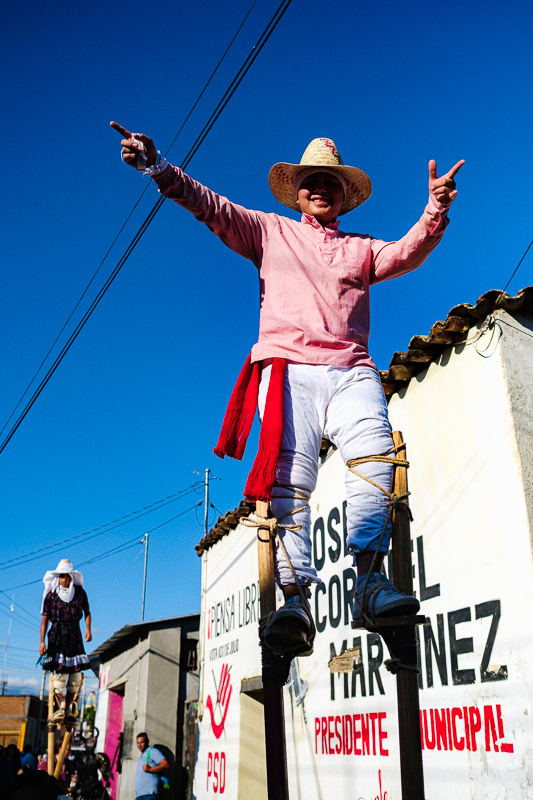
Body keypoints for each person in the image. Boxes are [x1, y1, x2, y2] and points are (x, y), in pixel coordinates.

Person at [111, 122, 463, 649]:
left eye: (331, 181)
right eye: (310, 181)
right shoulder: (268, 231)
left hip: (351, 370)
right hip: (288, 371)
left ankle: (368, 583)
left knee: (375, 458)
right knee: (290, 484)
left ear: (344, 195)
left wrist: (435, 209)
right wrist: (157, 167)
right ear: (296, 192)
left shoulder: (362, 248)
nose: (320, 188)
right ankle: (296, 600)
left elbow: (406, 253)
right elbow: (210, 205)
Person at [39, 559, 92, 724]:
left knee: (75, 677)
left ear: (71, 577)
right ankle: (56, 709)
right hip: (57, 636)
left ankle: (68, 709)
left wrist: (88, 629)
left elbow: (87, 612)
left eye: (66, 576)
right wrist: (42, 642)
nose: (64, 579)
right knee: (60, 676)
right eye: (61, 576)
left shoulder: (80, 593)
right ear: (58, 577)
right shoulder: (51, 596)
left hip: (74, 635)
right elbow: (44, 620)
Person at [134, 733, 169, 800]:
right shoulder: (143, 754)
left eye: (142, 742)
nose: (139, 745)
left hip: (150, 794)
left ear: (147, 741)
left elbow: (165, 765)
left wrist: (150, 769)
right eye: (138, 743)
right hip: (141, 795)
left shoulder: (152, 751)